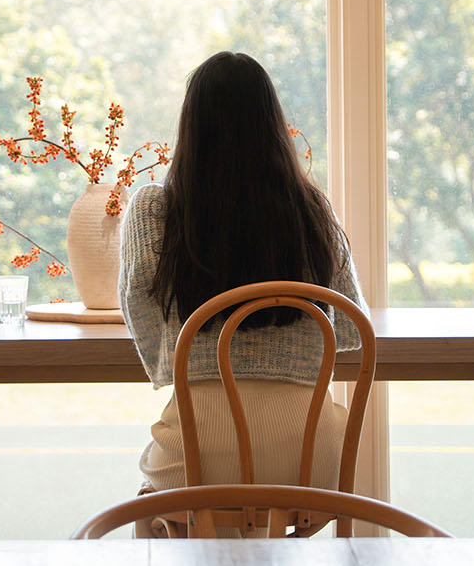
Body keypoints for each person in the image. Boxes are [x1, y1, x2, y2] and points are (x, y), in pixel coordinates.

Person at [117, 50, 366, 501]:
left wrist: (175, 356)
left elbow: (137, 301)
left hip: (202, 444)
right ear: (274, 125)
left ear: (190, 127)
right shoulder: (311, 208)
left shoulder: (155, 208)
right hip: (311, 454)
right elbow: (349, 326)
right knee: (250, 511)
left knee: (154, 512)